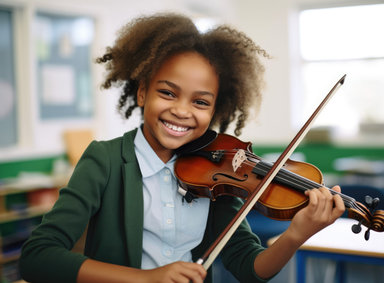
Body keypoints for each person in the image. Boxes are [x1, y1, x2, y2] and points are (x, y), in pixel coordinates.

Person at [19, 13, 345, 283]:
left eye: (200, 102)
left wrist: (295, 236)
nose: (182, 110)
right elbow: (37, 258)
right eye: (168, 93)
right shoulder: (104, 160)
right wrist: (147, 278)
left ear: (215, 110)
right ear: (143, 93)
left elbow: (249, 267)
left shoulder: (221, 172)